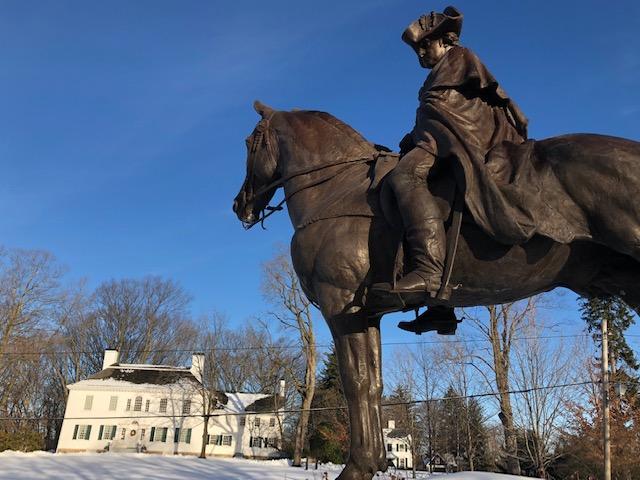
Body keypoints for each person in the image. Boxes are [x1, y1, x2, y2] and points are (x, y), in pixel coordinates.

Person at [386, 6, 528, 333]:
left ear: (444, 39)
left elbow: (447, 111)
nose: (421, 53)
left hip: (462, 140)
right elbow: (435, 115)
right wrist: (413, 136)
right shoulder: (445, 68)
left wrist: (419, 138)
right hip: (441, 138)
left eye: (425, 45)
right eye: (417, 49)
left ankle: (428, 271)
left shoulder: (459, 59)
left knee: (405, 176)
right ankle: (441, 308)